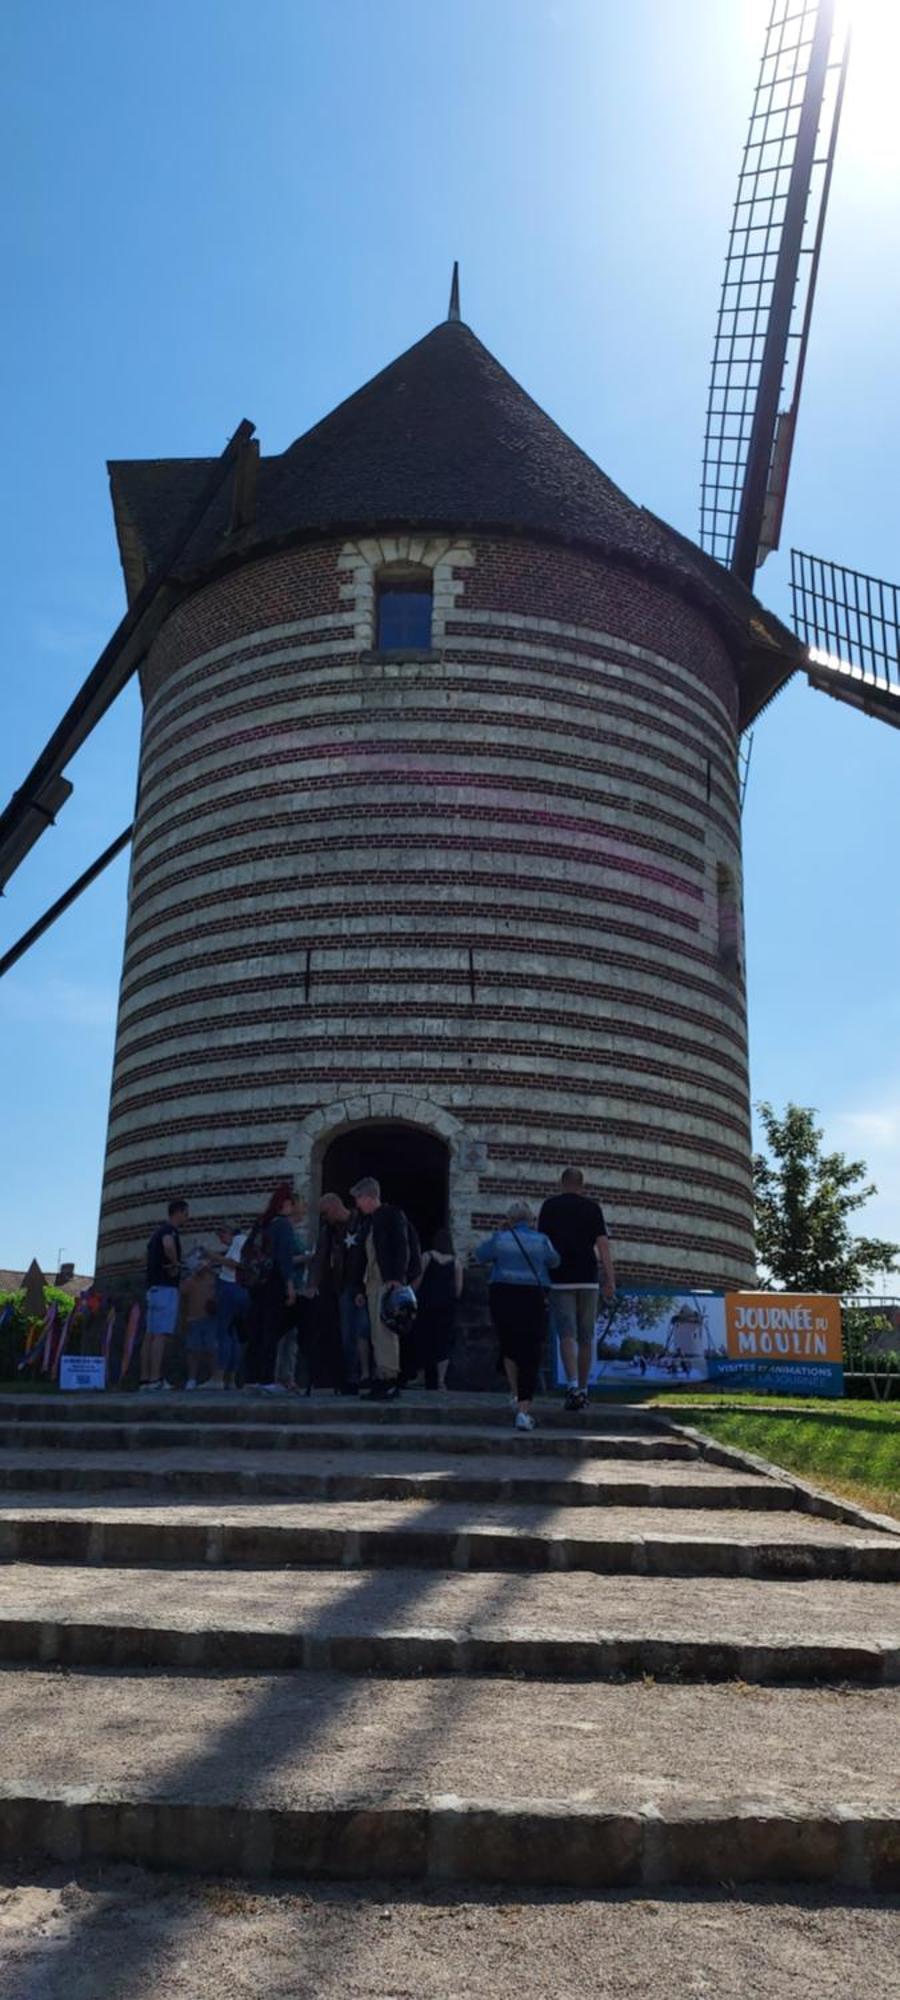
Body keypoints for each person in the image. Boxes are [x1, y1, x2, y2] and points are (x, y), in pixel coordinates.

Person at [473, 1200, 559, 1430]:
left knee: (509, 1346)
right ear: (531, 1220)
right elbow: (555, 1260)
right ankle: (523, 1410)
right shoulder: (541, 1240)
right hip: (533, 1297)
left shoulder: (501, 1238)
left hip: (503, 1296)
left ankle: (514, 1393)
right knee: (531, 1350)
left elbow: (479, 1255)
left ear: (509, 1220)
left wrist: (501, 1233)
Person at [539, 1167, 616, 1413]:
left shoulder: (549, 1206)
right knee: (586, 1337)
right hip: (588, 1278)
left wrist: (542, 1279)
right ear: (582, 1186)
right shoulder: (593, 1208)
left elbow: (543, 1246)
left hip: (560, 1278)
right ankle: (584, 1388)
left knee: (567, 1335)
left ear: (561, 1184)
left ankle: (571, 1385)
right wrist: (609, 1279)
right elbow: (603, 1246)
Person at [349, 1176, 414, 1401]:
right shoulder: (368, 1222)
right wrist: (359, 1287)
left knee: (386, 1331)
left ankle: (389, 1378)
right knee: (377, 1333)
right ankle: (382, 1375)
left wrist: (397, 1277)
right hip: (371, 1283)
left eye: (359, 1198)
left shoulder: (391, 1215)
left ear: (369, 1197)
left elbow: (401, 1246)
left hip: (386, 1281)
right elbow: (362, 1257)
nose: (357, 1204)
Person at [310, 1193, 371, 1394]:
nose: (324, 1217)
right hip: (344, 1287)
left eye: (325, 1213)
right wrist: (313, 1284)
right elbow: (320, 1257)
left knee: (364, 1331)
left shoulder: (362, 1223)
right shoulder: (329, 1230)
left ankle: (368, 1375)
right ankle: (351, 1378)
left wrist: (364, 1286)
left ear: (335, 1208)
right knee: (347, 1334)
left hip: (364, 1285)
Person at [241, 1183, 298, 1392]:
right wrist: (290, 1286)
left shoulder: (262, 1223)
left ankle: (251, 1379)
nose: (293, 1207)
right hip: (274, 1282)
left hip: (256, 1283)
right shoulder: (283, 1225)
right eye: (291, 1203)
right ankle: (267, 1380)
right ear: (285, 1203)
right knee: (271, 1331)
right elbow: (285, 1259)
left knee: (256, 1330)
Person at [140, 1198, 189, 1393]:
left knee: (150, 1335)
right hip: (166, 1288)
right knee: (161, 1335)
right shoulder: (169, 1231)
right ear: (177, 1213)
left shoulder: (156, 1233)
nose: (187, 1217)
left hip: (153, 1288)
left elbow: (144, 1257)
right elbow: (168, 1245)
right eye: (186, 1213)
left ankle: (145, 1380)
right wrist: (176, 1264)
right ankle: (155, 1379)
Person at [415, 1227, 463, 1390]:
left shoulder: (427, 1256)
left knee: (424, 1338)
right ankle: (441, 1380)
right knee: (443, 1341)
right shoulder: (456, 1262)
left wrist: (411, 1294)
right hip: (446, 1306)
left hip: (427, 1303)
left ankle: (422, 1376)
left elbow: (418, 1280)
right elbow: (458, 1289)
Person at [214, 1222, 251, 1389]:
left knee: (225, 1333)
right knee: (234, 1336)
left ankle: (219, 1379)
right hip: (238, 1290)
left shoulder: (239, 1240)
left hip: (231, 1290)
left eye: (221, 1236)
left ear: (228, 1232)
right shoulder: (241, 1242)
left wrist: (211, 1256)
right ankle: (231, 1379)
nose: (221, 1241)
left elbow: (234, 1264)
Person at [181, 1248, 220, 1389]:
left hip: (210, 1319)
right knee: (192, 1350)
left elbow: (219, 1293)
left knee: (212, 1349)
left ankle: (215, 1377)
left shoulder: (213, 1278)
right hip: (193, 1319)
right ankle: (191, 1379)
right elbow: (183, 1292)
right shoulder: (190, 1280)